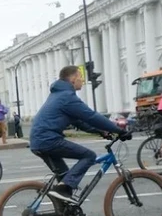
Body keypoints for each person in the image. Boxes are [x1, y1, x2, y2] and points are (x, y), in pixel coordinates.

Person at [31, 66, 129, 202]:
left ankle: (63, 215)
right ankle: (64, 189)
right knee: (89, 156)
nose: (82, 80)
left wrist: (101, 131)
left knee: (65, 177)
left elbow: (79, 122)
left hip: (39, 141)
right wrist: (118, 130)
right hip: (48, 140)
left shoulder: (59, 95)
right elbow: (91, 116)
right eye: (80, 77)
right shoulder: (67, 97)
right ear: (72, 79)